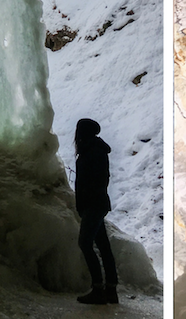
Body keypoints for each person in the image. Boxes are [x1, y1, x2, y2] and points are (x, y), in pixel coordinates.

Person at [74, 117, 118, 304]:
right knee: (102, 246)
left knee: (85, 243)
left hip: (94, 204)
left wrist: (85, 200)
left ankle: (99, 288)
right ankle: (111, 290)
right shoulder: (93, 150)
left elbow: (94, 180)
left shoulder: (92, 152)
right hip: (96, 204)